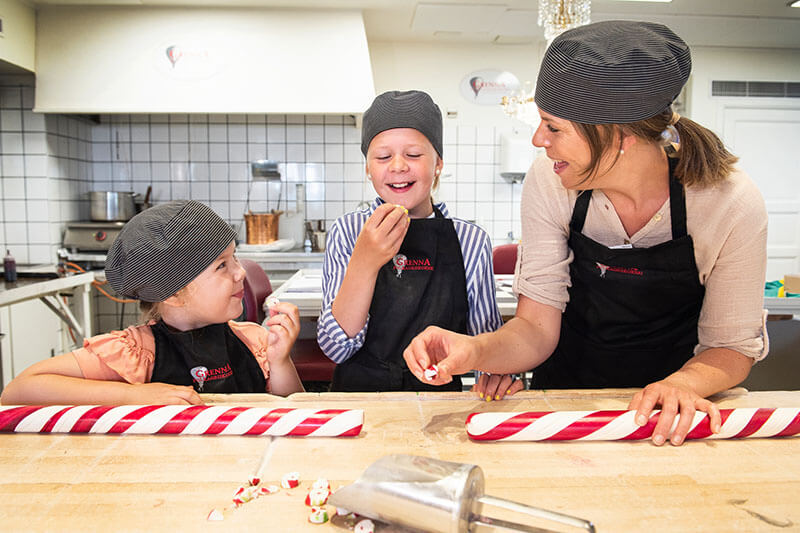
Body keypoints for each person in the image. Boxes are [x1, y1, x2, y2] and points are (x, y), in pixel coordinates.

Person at [403, 21, 769, 445]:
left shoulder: (727, 202)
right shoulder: (550, 181)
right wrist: (475, 350)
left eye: (553, 127)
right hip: (565, 408)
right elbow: (535, 328)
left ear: (620, 136)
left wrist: (682, 385)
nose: (538, 139)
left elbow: (731, 347)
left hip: (672, 422)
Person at [1, 200, 304, 405]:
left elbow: (291, 412)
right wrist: (135, 395)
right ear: (172, 293)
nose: (240, 272)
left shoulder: (254, 341)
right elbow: (19, 390)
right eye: (221, 265)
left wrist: (280, 361)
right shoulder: (135, 353)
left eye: (234, 257)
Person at [318, 90, 517, 395]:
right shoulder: (347, 231)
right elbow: (336, 349)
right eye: (383, 157)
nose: (398, 166)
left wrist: (495, 373)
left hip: (439, 403)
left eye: (413, 155)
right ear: (368, 168)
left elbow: (484, 340)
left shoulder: (470, 240)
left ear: (438, 163)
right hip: (359, 400)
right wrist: (365, 263)